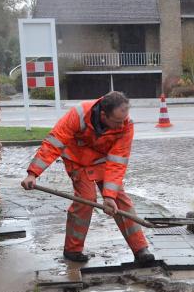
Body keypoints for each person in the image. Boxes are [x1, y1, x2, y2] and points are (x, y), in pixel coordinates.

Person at [21, 91, 154, 264]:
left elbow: (118, 161)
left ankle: (140, 249)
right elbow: (55, 143)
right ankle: (72, 250)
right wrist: (33, 174)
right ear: (104, 115)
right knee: (85, 199)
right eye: (117, 122)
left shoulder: (126, 124)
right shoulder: (79, 114)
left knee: (120, 199)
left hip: (102, 162)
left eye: (124, 120)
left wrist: (109, 196)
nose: (121, 125)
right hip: (78, 161)